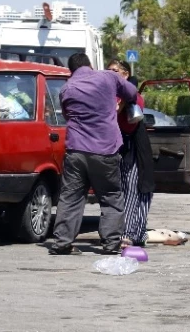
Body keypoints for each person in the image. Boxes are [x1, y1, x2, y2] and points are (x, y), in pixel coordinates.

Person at [49, 53, 139, 255]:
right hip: (105, 150)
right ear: (90, 64)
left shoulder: (66, 89)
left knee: (70, 198)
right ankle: (111, 244)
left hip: (76, 151)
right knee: (110, 197)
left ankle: (62, 243)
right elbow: (132, 93)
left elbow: (66, 115)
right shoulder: (108, 77)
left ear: (71, 70)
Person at [107, 59, 155, 247]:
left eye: (115, 71)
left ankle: (131, 233)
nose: (111, 74)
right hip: (114, 147)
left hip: (133, 147)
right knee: (120, 190)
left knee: (134, 190)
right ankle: (128, 231)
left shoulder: (134, 98)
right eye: (108, 71)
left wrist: (125, 97)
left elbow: (130, 121)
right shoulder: (109, 95)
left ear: (125, 74)